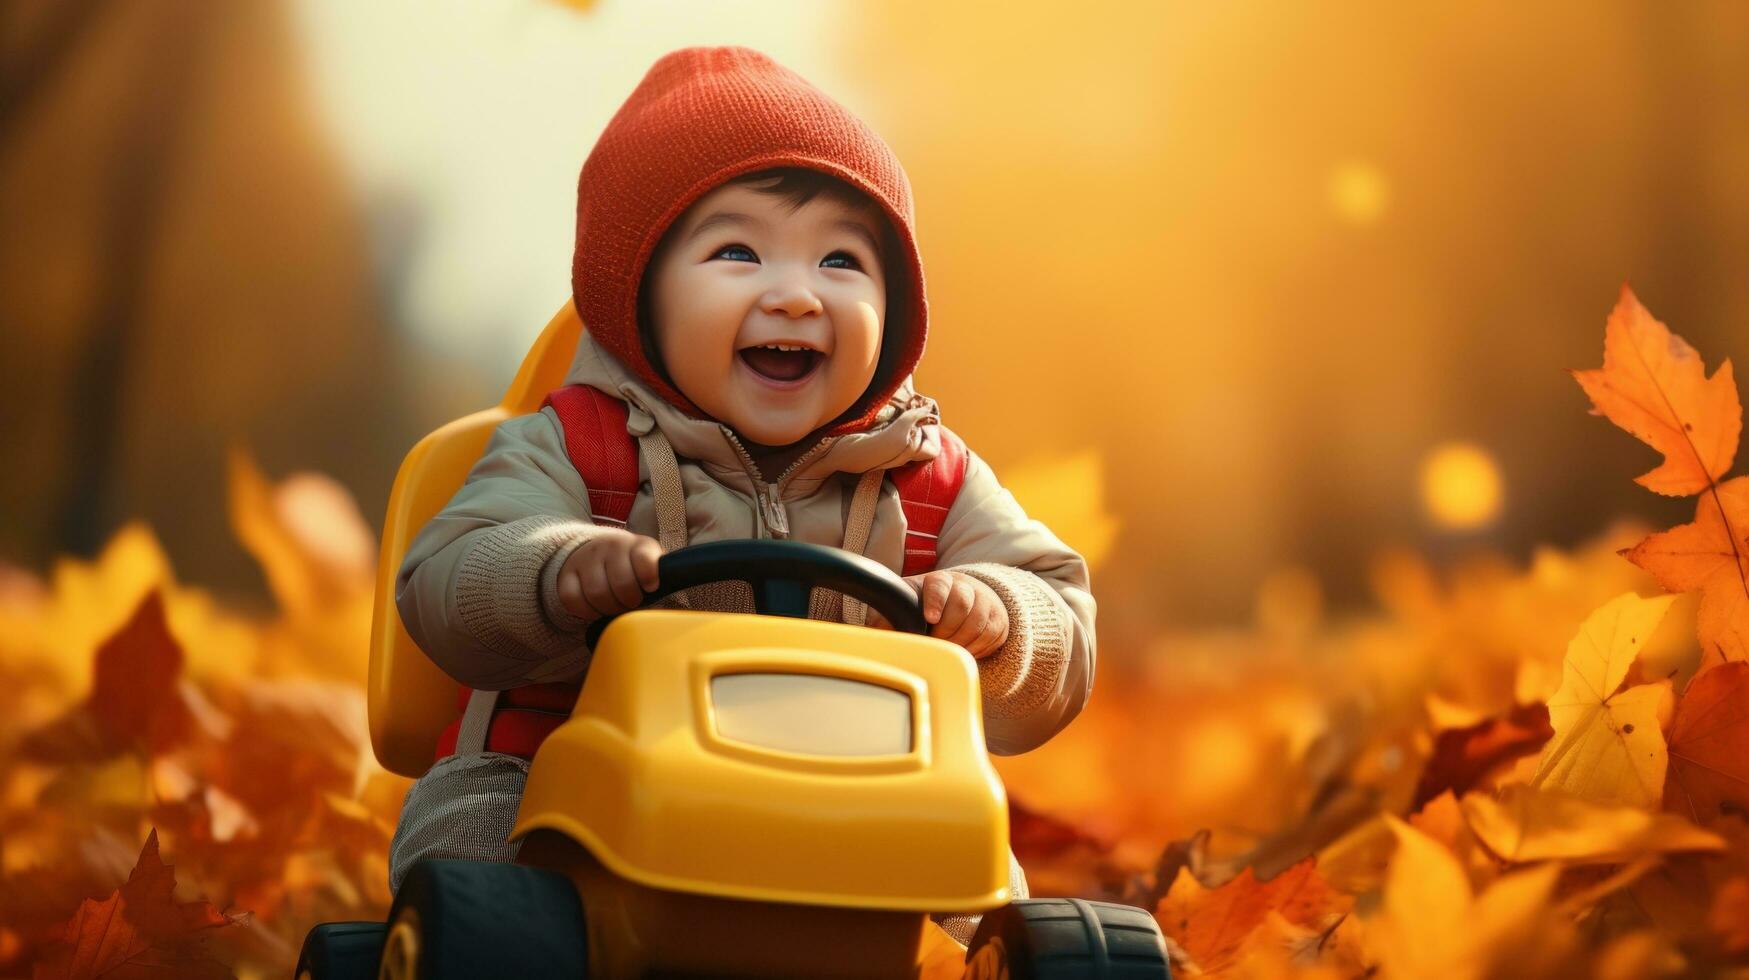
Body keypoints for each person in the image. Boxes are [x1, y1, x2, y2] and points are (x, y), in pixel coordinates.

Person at [388, 45, 1095, 944]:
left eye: (841, 260)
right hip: (564, 776)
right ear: (638, 296)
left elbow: (1058, 614)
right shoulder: (571, 446)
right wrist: (550, 569)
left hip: (865, 787)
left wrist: (1002, 617)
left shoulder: (929, 476)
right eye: (737, 251)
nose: (797, 296)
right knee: (479, 866)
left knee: (990, 900)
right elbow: (445, 580)